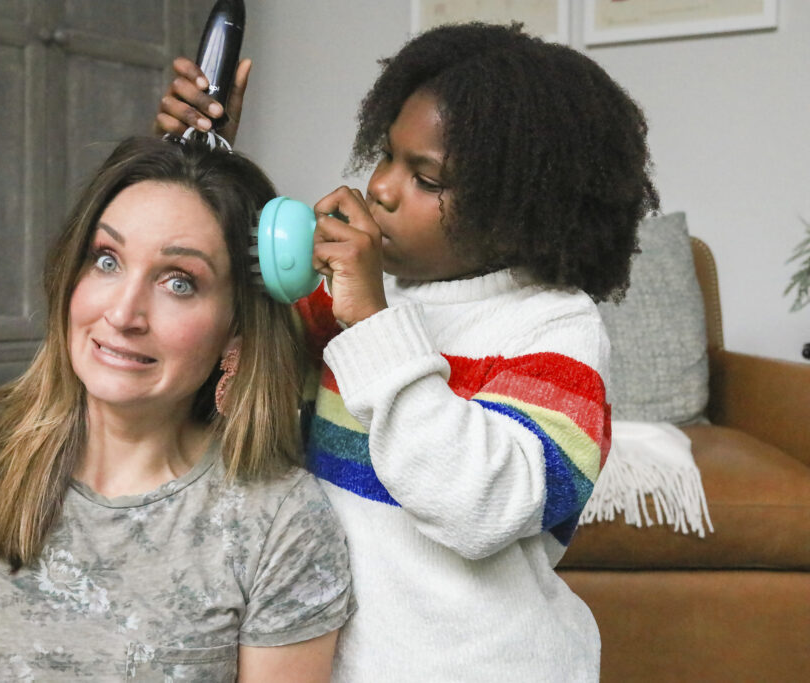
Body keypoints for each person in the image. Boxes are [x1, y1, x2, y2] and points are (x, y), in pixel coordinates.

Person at [156, 21, 658, 682]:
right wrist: (208, 163)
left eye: (428, 178)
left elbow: (481, 506)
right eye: (388, 155)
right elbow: (217, 335)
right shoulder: (346, 297)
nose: (383, 188)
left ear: (520, 208)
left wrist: (370, 319)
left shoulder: (553, 327)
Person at [0, 136, 355, 682]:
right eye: (107, 260)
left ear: (237, 324)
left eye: (179, 281)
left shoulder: (281, 524)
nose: (123, 312)